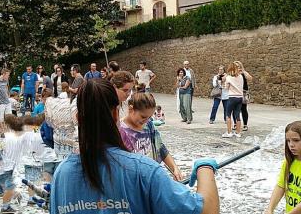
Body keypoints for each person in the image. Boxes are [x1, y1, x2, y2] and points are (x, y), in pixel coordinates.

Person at [50, 79, 220, 214]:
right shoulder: (142, 170)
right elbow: (207, 210)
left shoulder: (61, 175)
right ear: (117, 113)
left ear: (78, 119)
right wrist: (205, 168)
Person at [119, 93, 183, 181]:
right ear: (131, 109)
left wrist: (174, 168)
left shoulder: (148, 125)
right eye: (143, 117)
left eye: (149, 117)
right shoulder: (121, 130)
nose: (146, 120)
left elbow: (160, 148)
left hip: (151, 179)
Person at [223, 63, 248, 138]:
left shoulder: (229, 77)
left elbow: (226, 88)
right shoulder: (241, 77)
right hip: (240, 97)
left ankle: (229, 132)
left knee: (228, 114)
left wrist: (224, 85)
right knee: (237, 115)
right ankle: (238, 132)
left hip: (232, 97)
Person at [236, 61, 255, 131]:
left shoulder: (244, 73)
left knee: (243, 109)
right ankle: (236, 123)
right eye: (236, 66)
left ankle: (245, 124)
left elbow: (250, 78)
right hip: (235, 92)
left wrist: (243, 72)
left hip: (243, 92)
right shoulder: (233, 74)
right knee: (235, 109)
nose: (238, 68)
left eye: (239, 66)